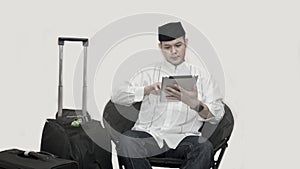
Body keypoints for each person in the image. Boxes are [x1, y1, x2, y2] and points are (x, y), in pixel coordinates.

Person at [111, 22, 225, 169]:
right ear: (160, 47)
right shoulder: (147, 72)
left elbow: (218, 115)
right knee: (127, 140)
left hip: (184, 140)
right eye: (167, 47)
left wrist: (195, 104)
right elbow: (117, 96)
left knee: (204, 148)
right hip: (149, 136)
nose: (173, 51)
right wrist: (146, 90)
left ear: (186, 43)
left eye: (178, 45)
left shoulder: (203, 77)